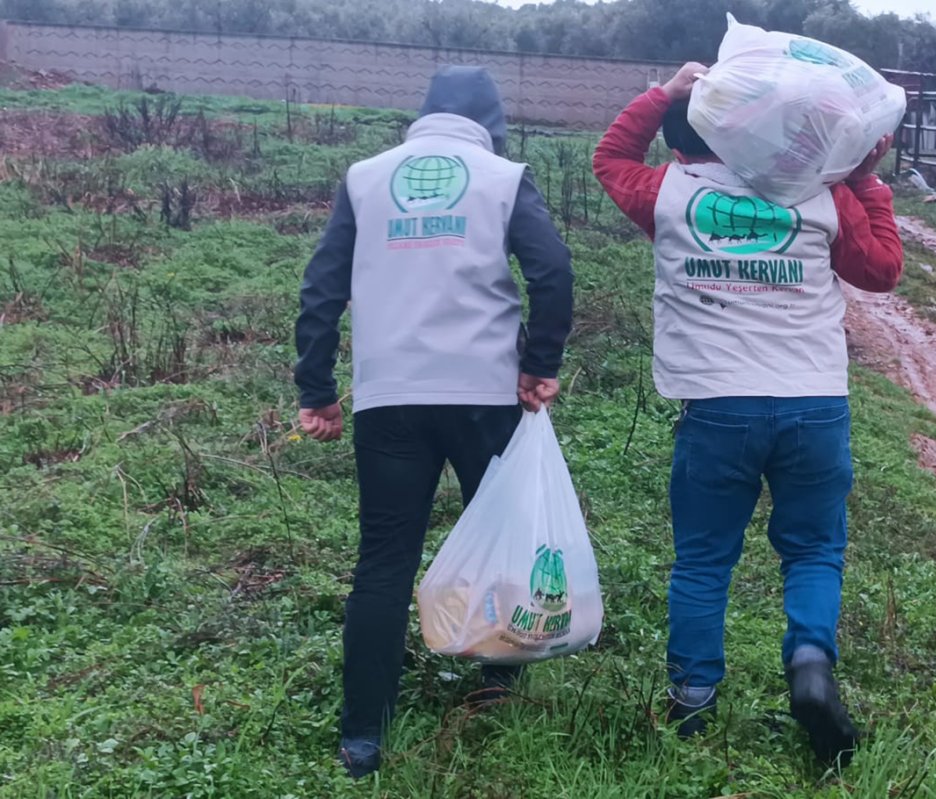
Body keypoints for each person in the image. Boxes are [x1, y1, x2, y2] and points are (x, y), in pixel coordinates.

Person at [593, 63, 903, 766]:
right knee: (813, 549)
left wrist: (662, 94)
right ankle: (811, 666)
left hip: (717, 406)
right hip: (814, 405)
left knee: (704, 559)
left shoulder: (669, 192)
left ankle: (693, 700)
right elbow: (883, 269)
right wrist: (861, 180)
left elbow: (610, 157)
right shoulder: (819, 193)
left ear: (687, 137)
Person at [294, 65, 573, 779]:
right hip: (485, 393)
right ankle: (496, 683)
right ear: (490, 123)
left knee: (384, 561)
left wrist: (317, 388)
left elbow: (322, 285)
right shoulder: (504, 177)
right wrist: (539, 363)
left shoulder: (365, 178)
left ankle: (363, 735)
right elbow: (552, 271)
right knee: (503, 540)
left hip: (389, 395)